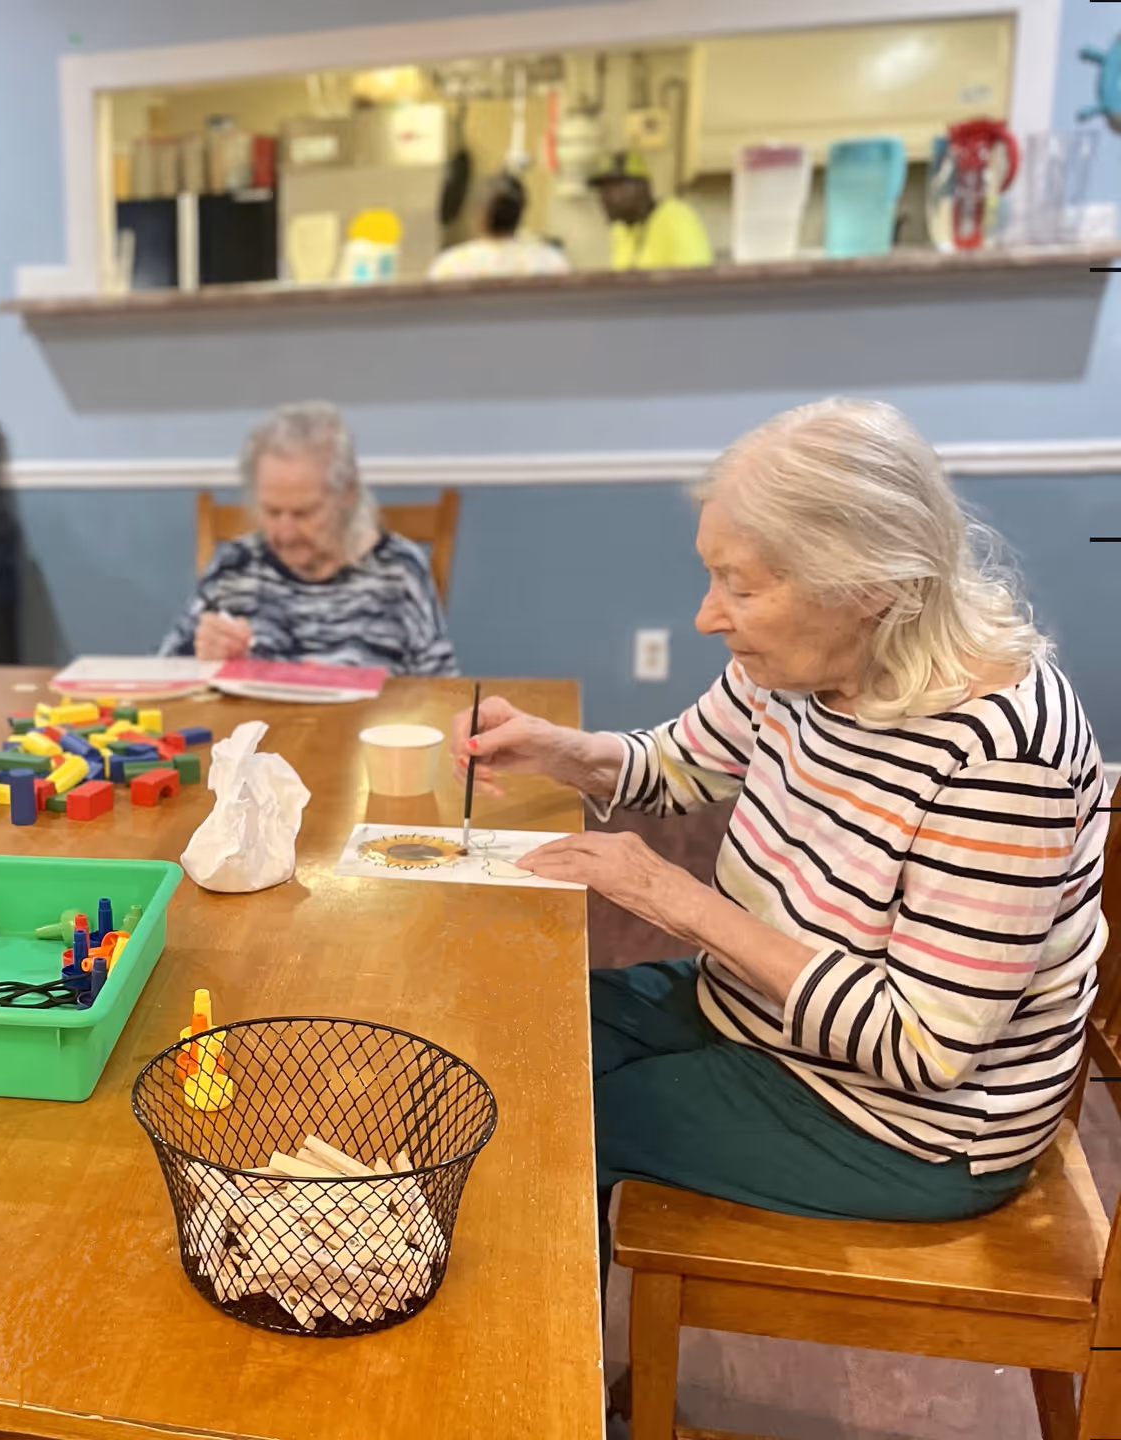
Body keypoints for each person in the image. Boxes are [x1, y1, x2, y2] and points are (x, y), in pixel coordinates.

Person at [454, 398, 1105, 1260]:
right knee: (502, 1039)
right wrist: (559, 751)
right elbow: (684, 764)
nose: (707, 617)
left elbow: (924, 1046)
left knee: (534, 1132)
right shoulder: (810, 662)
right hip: (754, 1014)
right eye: (712, 574)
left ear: (869, 584)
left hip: (905, 1127)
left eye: (743, 586)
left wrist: (675, 900)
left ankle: (536, 1389)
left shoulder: (1000, 755)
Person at [159, 402, 457, 676]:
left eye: (303, 513)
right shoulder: (235, 566)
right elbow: (167, 670)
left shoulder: (397, 570)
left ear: (347, 496)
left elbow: (440, 689)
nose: (285, 534)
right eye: (271, 511)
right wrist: (203, 658)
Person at [429, 173, 571, 280]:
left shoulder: (451, 266)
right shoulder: (551, 262)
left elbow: (430, 314)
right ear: (521, 211)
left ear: (479, 214)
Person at [589, 150, 713, 271]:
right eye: (602, 191)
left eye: (613, 188)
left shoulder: (676, 218)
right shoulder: (620, 230)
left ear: (642, 187)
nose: (604, 198)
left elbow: (694, 283)